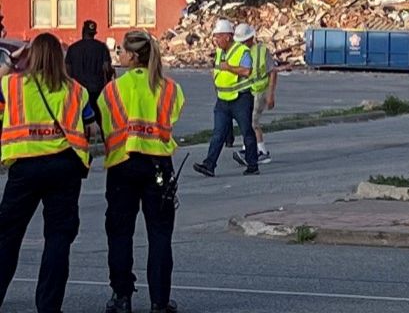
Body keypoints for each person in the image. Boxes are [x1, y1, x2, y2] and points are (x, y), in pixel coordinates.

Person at [0, 33, 94, 313]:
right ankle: (49, 306)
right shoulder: (76, 90)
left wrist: (10, 59)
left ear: (32, 56)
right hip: (64, 167)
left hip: (24, 169)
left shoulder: (12, 85)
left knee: (7, 236)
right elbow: (90, 124)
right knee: (58, 239)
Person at [99, 31, 185, 313]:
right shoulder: (170, 88)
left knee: (120, 233)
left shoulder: (112, 89)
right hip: (158, 165)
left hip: (123, 164)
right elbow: (174, 115)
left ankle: (121, 297)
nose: (119, 55)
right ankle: (159, 301)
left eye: (122, 50)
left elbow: (105, 122)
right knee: (159, 234)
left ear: (133, 56)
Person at [193, 19, 260, 176]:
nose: (215, 40)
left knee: (246, 132)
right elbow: (217, 72)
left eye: (218, 37)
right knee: (218, 133)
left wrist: (229, 68)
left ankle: (252, 164)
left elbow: (246, 71)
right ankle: (209, 165)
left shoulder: (242, 51)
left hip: (240, 99)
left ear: (228, 37)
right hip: (223, 100)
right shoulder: (219, 52)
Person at [231, 23, 277, 167]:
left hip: (260, 90)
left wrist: (270, 95)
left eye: (244, 41)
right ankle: (250, 149)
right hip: (248, 92)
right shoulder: (239, 52)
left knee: (252, 122)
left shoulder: (262, 51)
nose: (242, 44)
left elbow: (273, 72)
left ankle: (261, 152)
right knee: (248, 122)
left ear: (251, 38)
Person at [65, 20, 115, 130]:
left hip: (78, 90)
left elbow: (67, 71)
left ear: (83, 31)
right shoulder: (102, 47)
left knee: (78, 120)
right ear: (94, 33)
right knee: (99, 118)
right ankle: (101, 139)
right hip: (97, 90)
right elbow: (107, 68)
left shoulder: (72, 48)